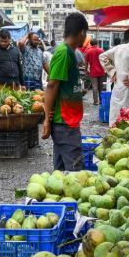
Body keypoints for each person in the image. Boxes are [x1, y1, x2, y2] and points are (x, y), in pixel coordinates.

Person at [42, 13, 88, 171]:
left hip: (68, 122)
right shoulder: (64, 52)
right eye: (86, 34)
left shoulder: (70, 52)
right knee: (76, 173)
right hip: (65, 122)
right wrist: (46, 119)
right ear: (82, 32)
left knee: (61, 173)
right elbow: (52, 85)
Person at [100, 28, 129, 126]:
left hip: (118, 85)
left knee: (116, 111)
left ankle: (113, 132)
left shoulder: (119, 47)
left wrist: (112, 71)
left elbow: (102, 56)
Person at [85, 39, 106, 105]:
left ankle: (95, 101)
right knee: (101, 86)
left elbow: (86, 62)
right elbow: (105, 60)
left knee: (94, 86)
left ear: (90, 44)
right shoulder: (101, 50)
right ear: (97, 43)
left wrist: (86, 70)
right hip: (101, 71)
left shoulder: (88, 51)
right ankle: (101, 101)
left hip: (93, 71)